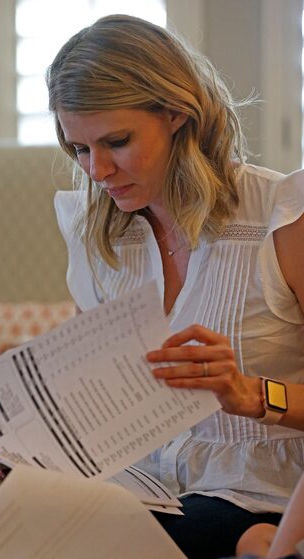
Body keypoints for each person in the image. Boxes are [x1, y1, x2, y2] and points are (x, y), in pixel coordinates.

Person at [44, 13, 304, 559]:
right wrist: (25, 441)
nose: (97, 170)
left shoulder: (280, 220)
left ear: (177, 114)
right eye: (80, 149)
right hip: (138, 491)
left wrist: (251, 394)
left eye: (116, 141)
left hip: (254, 492)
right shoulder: (96, 233)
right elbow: (95, 396)